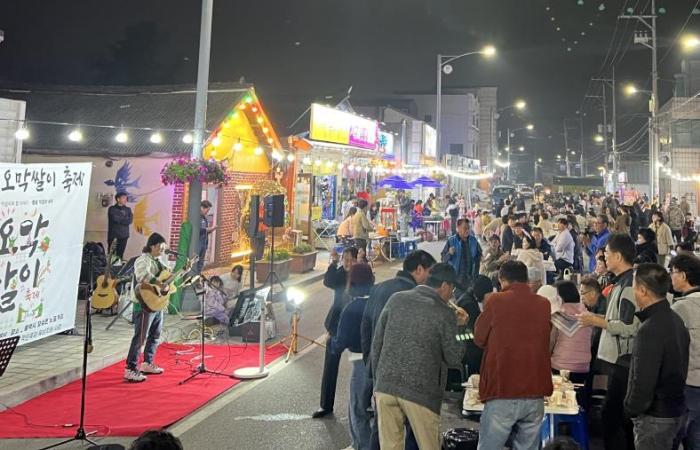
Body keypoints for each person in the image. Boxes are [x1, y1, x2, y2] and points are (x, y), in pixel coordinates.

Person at [371, 263, 467, 450]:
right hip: (422, 393)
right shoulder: (445, 313)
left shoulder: (396, 299)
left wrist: (377, 383)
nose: (452, 295)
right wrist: (462, 328)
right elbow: (454, 357)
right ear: (445, 286)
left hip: (385, 386)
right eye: (452, 289)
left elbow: (377, 344)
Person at [361, 250, 436, 450]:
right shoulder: (416, 297)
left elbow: (365, 326)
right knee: (413, 431)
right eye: (430, 272)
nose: (431, 279)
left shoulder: (379, 288)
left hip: (380, 372)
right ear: (419, 270)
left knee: (382, 430)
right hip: (408, 378)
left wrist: (370, 362)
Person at [475, 261, 553, 450]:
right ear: (526, 279)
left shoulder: (496, 301)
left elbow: (479, 338)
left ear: (501, 280)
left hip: (503, 388)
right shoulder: (544, 304)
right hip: (536, 390)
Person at [578, 233, 639, 450]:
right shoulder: (620, 282)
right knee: (612, 416)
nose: (604, 257)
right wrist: (596, 318)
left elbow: (629, 327)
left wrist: (596, 321)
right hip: (616, 361)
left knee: (614, 418)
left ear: (619, 256)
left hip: (623, 361)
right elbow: (616, 319)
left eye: (607, 253)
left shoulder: (629, 285)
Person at [625, 263, 689, 450]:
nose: (633, 292)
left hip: (655, 417)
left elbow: (643, 380)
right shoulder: (675, 320)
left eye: (634, 287)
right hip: (676, 411)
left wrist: (631, 409)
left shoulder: (650, 328)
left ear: (643, 290)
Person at [330, 263, 375, 450]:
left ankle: (361, 445)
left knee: (358, 408)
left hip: (360, 362)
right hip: (379, 362)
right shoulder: (377, 303)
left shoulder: (352, 308)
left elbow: (341, 341)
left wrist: (333, 344)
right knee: (374, 409)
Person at [313, 246, 358, 418]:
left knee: (362, 368)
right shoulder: (339, 274)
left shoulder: (361, 274)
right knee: (330, 366)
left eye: (351, 259)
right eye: (345, 259)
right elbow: (328, 281)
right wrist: (333, 262)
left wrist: (361, 264)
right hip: (336, 325)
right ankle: (325, 405)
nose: (348, 263)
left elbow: (368, 283)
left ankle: (364, 404)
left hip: (356, 326)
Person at [124, 233, 169, 383]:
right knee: (140, 338)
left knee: (155, 335)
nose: (162, 250)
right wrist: (159, 282)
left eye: (163, 248)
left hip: (157, 302)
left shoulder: (159, 261)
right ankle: (130, 369)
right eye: (160, 248)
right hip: (144, 303)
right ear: (152, 246)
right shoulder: (143, 260)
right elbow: (142, 275)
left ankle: (147, 363)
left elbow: (167, 277)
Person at [669, 254, 700, 450]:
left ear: (683, 275)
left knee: (676, 436)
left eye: (672, 272)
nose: (671, 277)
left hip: (688, 382)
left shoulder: (681, 307)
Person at [550, 281, 592, 385]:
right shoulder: (588, 315)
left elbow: (550, 343)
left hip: (560, 367)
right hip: (583, 368)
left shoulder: (557, 316)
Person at [457, 275, 493, 376]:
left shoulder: (468, 298)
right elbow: (476, 333)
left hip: (467, 347)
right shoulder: (469, 305)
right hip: (470, 351)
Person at [441, 218, 482, 291]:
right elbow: (443, 259)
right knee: (456, 297)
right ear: (458, 228)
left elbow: (478, 256)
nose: (467, 230)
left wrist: (476, 274)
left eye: (468, 228)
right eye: (465, 228)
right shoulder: (451, 241)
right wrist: (449, 253)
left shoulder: (473, 240)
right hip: (456, 279)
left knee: (469, 296)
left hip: (470, 279)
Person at [107, 192, 133, 261]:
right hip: (114, 236)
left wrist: (121, 218)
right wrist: (124, 218)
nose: (125, 200)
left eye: (126, 198)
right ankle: (110, 267)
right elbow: (115, 219)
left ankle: (119, 266)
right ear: (118, 199)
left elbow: (129, 220)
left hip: (124, 236)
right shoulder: (112, 209)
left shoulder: (128, 209)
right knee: (111, 255)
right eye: (123, 198)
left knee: (120, 255)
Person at [196, 200, 217, 273]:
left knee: (201, 263)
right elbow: (198, 230)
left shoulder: (204, 218)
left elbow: (206, 231)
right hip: (198, 244)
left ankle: (198, 275)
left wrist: (211, 230)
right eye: (207, 210)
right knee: (196, 262)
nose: (207, 212)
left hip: (204, 244)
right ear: (202, 208)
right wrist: (207, 229)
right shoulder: (197, 217)